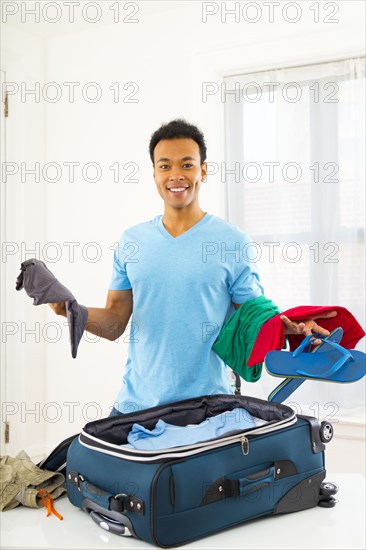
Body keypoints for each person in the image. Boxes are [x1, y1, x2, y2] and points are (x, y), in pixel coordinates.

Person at [50, 119, 336, 416]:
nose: (176, 175)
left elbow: (255, 320)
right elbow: (114, 322)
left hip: (208, 409)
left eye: (187, 165)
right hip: (135, 407)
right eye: (165, 166)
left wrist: (295, 330)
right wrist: (71, 310)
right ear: (154, 174)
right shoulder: (131, 241)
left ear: (204, 170)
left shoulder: (231, 241)